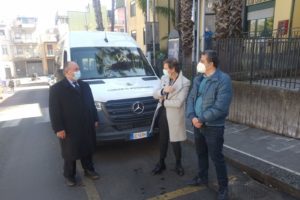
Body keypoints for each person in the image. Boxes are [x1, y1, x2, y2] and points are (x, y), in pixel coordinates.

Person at [186, 50, 233, 200]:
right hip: (197, 124)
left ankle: (223, 189)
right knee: (201, 153)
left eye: (202, 61)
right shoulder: (198, 79)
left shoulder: (223, 80)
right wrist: (192, 116)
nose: (199, 63)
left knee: (216, 157)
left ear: (211, 64)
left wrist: (201, 119)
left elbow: (221, 107)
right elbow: (191, 99)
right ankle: (202, 177)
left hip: (213, 127)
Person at [49, 61, 100, 187]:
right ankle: (69, 175)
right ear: (67, 72)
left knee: (87, 149)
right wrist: (58, 128)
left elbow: (91, 104)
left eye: (78, 69)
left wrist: (95, 118)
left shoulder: (84, 86)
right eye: (76, 69)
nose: (78, 71)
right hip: (69, 127)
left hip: (86, 124)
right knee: (70, 153)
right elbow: (54, 111)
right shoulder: (57, 89)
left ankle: (89, 170)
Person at [150, 58, 190, 176]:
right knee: (162, 139)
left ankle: (178, 164)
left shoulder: (185, 82)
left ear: (172, 69)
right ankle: (161, 162)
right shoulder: (164, 78)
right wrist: (163, 91)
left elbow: (179, 103)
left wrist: (163, 102)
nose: (164, 70)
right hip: (163, 113)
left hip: (175, 115)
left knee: (175, 141)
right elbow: (154, 94)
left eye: (166, 68)